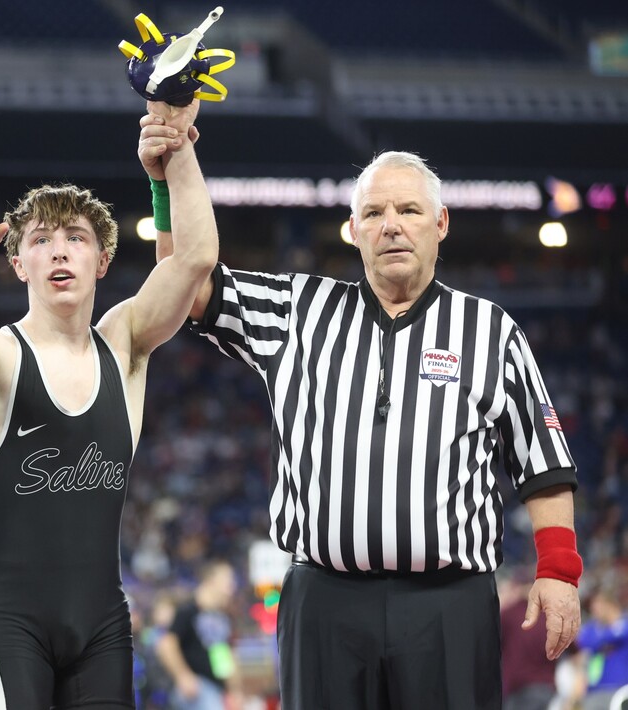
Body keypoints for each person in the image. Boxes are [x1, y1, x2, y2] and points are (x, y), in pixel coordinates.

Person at [139, 122, 583, 710]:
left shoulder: (490, 330)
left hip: (448, 604)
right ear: (353, 230)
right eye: (373, 213)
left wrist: (558, 570)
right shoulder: (298, 310)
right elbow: (183, 283)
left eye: (409, 210)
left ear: (441, 224)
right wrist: (169, 176)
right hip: (325, 601)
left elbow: (542, 462)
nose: (391, 224)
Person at [0, 98, 216, 709]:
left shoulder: (126, 343)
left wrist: (176, 148)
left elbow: (194, 259)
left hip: (103, 626)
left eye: (76, 239)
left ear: (103, 260)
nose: (60, 251)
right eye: (41, 240)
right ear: (18, 263)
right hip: (14, 627)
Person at [156, 561, 240, 710]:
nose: (232, 586)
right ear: (211, 581)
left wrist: (234, 691)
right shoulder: (188, 610)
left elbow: (223, 657)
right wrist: (183, 675)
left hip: (215, 689)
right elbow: (166, 644)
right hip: (197, 688)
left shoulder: (222, 617)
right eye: (227, 579)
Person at [499, 570, 557, 710]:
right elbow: (574, 648)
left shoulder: (509, 614)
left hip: (519, 688)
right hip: (547, 687)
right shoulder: (550, 615)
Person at [575, 582, 628, 710]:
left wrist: (601, 640)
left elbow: (618, 634)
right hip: (594, 689)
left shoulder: (624, 623)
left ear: (610, 605)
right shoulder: (593, 628)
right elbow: (582, 641)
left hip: (620, 688)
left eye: (599, 606)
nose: (595, 610)